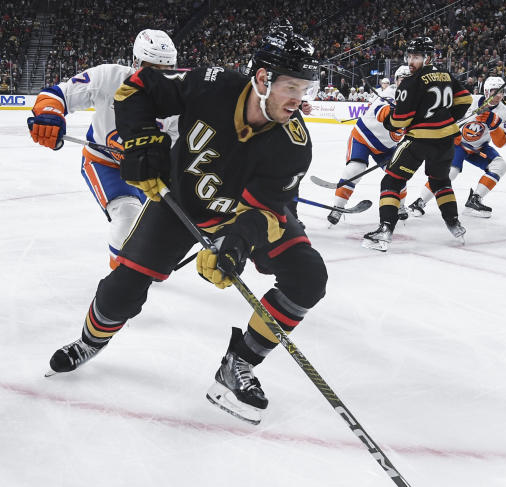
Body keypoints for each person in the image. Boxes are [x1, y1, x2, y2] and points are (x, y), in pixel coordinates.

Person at [44, 23, 325, 426]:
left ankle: (238, 364)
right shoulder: (211, 85)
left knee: (308, 277)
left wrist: (238, 243)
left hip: (239, 215)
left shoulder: (294, 145)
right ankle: (90, 341)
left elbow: (268, 210)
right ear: (263, 79)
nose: (301, 101)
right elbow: (137, 86)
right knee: (121, 291)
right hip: (179, 205)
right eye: (293, 88)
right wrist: (142, 140)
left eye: (307, 90)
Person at [27, 29, 178, 269]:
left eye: (167, 69)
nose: (160, 77)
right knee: (127, 214)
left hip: (148, 172)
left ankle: (135, 264)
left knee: (156, 230)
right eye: (152, 68)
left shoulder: (179, 99)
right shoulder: (109, 78)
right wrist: (50, 114)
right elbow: (59, 95)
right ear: (136, 63)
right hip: (104, 163)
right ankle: (121, 275)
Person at [362, 36, 472, 251]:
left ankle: (385, 230)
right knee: (440, 181)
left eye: (417, 57)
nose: (411, 61)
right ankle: (454, 223)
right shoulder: (446, 75)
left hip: (418, 141)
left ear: (428, 57)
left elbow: (399, 122)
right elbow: (466, 99)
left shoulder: (411, 82)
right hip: (446, 140)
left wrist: (388, 119)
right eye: (410, 56)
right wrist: (448, 118)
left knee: (391, 182)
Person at [407, 75, 506, 219]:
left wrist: (494, 125)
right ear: (486, 91)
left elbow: (501, 143)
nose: (498, 95)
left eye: (501, 91)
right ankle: (419, 202)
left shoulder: (503, 112)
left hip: (479, 147)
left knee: (500, 165)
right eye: (495, 91)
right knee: (450, 172)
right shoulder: (470, 101)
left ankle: (474, 200)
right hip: (458, 143)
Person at [326, 65, 413, 225]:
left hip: (387, 147)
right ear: (397, 81)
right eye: (403, 80)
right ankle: (338, 207)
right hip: (364, 138)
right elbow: (381, 113)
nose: (407, 83)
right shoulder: (390, 93)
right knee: (355, 169)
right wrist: (396, 111)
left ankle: (401, 206)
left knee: (399, 175)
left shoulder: (417, 100)